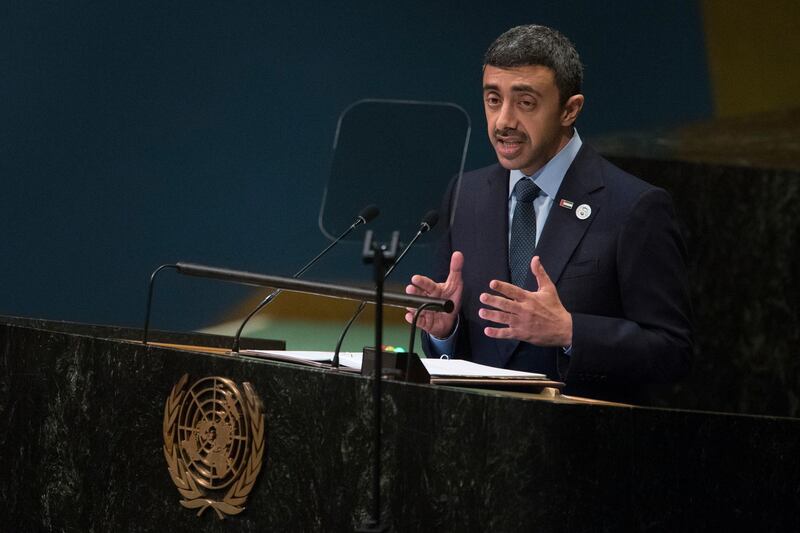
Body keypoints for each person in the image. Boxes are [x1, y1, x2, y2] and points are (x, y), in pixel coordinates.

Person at [405, 24, 693, 403]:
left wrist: (570, 331)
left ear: (570, 110)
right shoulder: (467, 193)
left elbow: (672, 352)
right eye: (493, 100)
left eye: (525, 102)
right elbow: (464, 352)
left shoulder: (634, 207)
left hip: (582, 445)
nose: (504, 121)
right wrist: (445, 330)